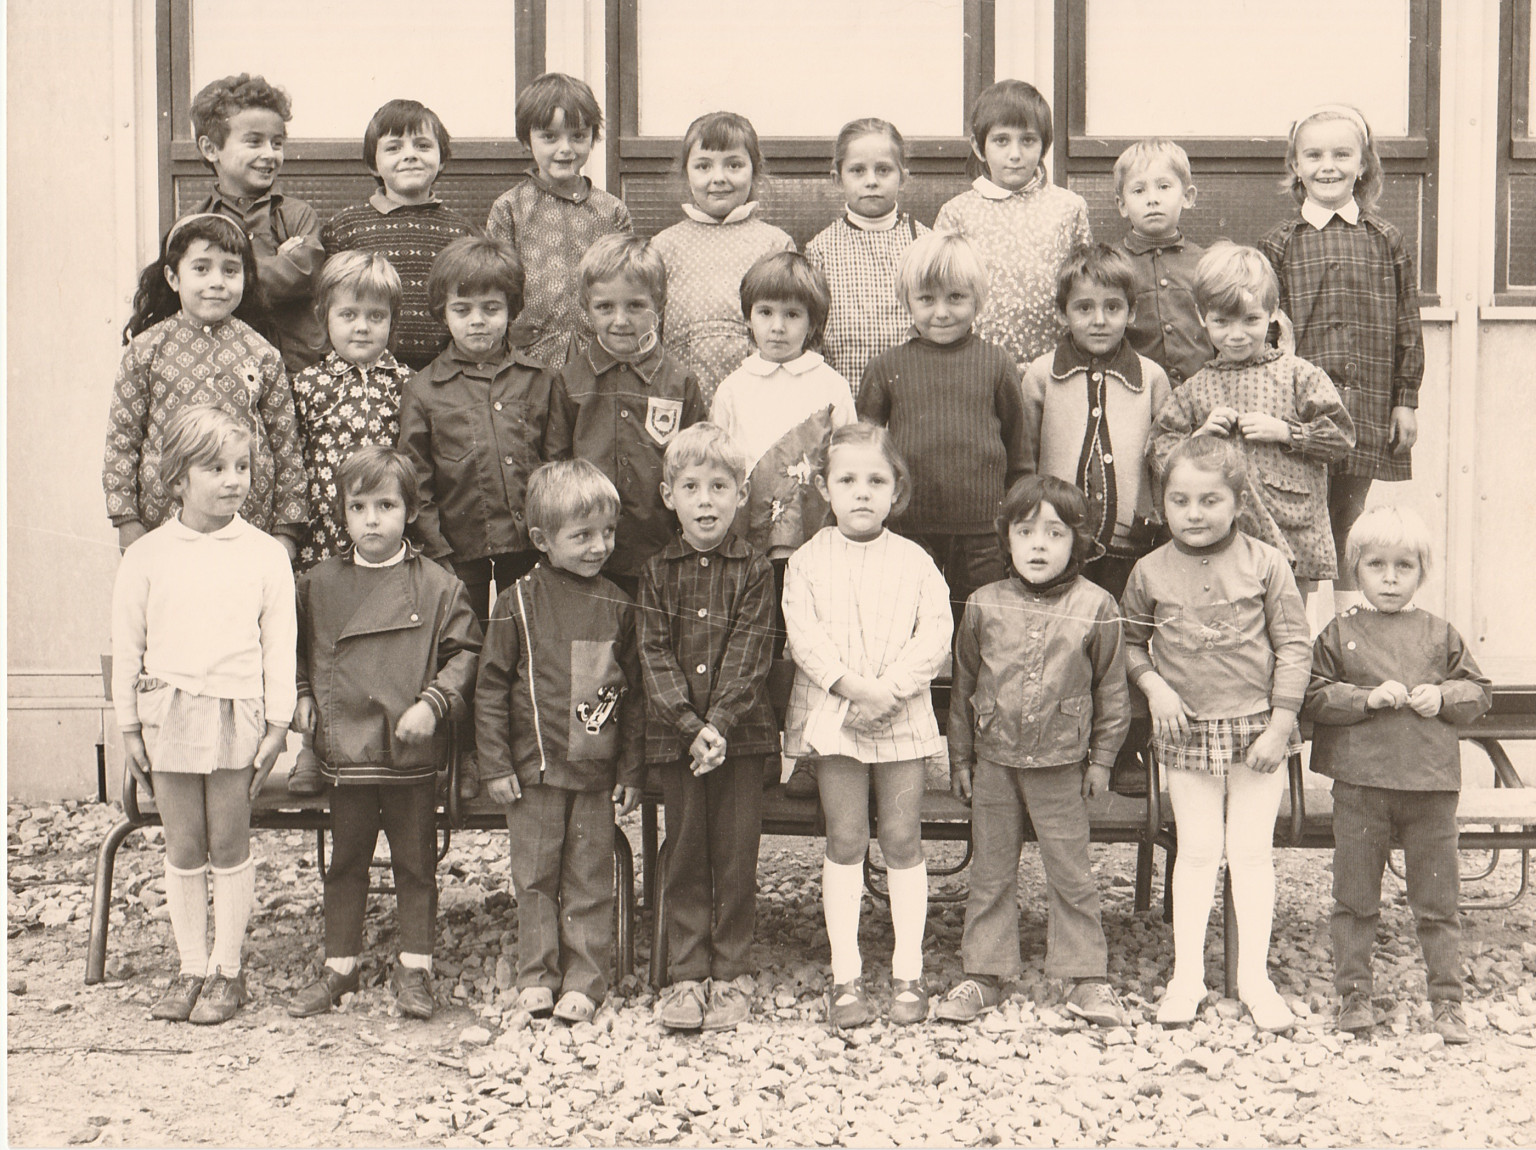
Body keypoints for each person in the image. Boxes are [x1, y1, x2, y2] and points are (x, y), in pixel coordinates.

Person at [111, 405, 296, 1025]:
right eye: (214, 467)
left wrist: (276, 724)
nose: (233, 479)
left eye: (241, 466)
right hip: (167, 713)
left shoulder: (266, 554)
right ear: (176, 480)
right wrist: (130, 725)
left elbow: (279, 645)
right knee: (184, 842)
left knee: (228, 838)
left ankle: (228, 969)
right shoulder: (148, 556)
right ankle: (191, 965)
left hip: (236, 712)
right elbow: (128, 641)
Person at [1121, 436, 1312, 1033]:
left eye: (1210, 499)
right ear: (1164, 502)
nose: (1195, 513)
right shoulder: (1148, 570)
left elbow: (1295, 646)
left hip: (1258, 726)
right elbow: (1128, 643)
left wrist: (1280, 726)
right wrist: (1154, 688)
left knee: (1251, 854)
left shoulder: (1267, 563)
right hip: (1187, 729)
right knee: (1199, 852)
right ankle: (1187, 979)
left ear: (1237, 502)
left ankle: (1254, 980)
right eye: (1181, 500)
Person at [286, 447, 481, 1020]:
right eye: (359, 506)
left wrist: (434, 703)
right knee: (345, 861)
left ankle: (415, 967)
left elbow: (465, 653)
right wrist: (300, 696)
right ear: (343, 516)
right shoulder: (317, 585)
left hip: (409, 749)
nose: (373, 519)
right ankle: (339, 967)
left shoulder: (438, 585)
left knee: (415, 863)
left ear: (410, 511)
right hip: (346, 753)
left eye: (387, 505)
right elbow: (293, 652)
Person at [938, 476, 1130, 1027]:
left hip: (1063, 767)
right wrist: (960, 759)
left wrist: (1102, 761)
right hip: (995, 763)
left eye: (1055, 532)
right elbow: (964, 687)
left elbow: (1111, 692)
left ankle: (1087, 978)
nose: (1039, 545)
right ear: (1008, 539)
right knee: (991, 871)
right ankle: (983, 974)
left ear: (1079, 543)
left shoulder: (1097, 605)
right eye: (1026, 532)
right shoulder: (982, 604)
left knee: (1071, 871)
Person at [783, 422, 952, 1029]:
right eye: (847, 479)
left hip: (899, 710)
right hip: (838, 714)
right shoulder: (807, 561)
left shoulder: (914, 561)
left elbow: (935, 634)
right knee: (847, 836)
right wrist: (854, 689)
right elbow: (805, 637)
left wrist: (889, 691)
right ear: (825, 488)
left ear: (895, 489)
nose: (862, 492)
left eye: (876, 480)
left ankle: (908, 971)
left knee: (903, 837)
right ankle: (846, 975)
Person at [1302, 506, 1491, 1045]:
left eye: (1403, 566)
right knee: (1355, 896)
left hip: (1430, 788)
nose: (1389, 578)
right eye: (1376, 565)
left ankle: (1448, 1000)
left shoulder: (1440, 633)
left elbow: (1479, 691)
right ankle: (1353, 995)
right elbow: (1312, 694)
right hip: (1361, 787)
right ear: (1354, 570)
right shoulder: (1339, 633)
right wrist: (1365, 698)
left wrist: (1445, 694)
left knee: (1437, 900)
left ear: (1421, 573)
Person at [474, 460, 645, 1024]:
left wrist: (631, 771)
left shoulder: (620, 604)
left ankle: (586, 978)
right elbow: (491, 688)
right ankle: (537, 975)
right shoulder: (516, 603)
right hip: (533, 774)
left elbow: (635, 696)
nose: (599, 547)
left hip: (595, 774)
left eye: (608, 533)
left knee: (590, 876)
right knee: (536, 876)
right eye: (582, 536)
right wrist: (496, 763)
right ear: (542, 540)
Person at [638, 425, 777, 1032]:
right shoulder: (656, 572)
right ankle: (687, 973)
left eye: (719, 486)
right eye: (691, 486)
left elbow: (751, 655)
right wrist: (690, 726)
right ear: (669, 495)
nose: (705, 500)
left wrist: (717, 725)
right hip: (678, 743)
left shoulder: (754, 570)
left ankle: (732, 970)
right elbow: (653, 654)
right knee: (685, 849)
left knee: (735, 855)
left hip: (739, 742)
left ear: (740, 495)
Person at [1260, 105, 1424, 614]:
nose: (1327, 165)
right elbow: (1267, 336)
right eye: (1313, 155)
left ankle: (1352, 635)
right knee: (1305, 525)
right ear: (1296, 165)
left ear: (1363, 164)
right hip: (1302, 417)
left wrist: (1405, 401)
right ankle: (1302, 646)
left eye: (1341, 154)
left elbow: (1406, 326)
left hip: (1366, 409)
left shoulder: (1385, 239)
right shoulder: (1280, 245)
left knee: (1349, 520)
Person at [1149, 243, 1355, 590]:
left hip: (1291, 530)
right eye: (1221, 322)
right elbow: (1158, 450)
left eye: (1251, 319)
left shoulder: (1299, 376)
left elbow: (1342, 439)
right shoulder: (1194, 390)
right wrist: (1197, 438)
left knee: (1288, 630)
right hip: (1222, 538)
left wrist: (1287, 433)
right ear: (1202, 316)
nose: (1237, 334)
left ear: (1272, 311)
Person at [104, 213, 308, 559]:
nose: (217, 282)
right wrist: (127, 519)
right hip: (164, 525)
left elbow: (286, 446)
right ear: (172, 277)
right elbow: (122, 440)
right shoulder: (146, 350)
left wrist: (285, 532)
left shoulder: (262, 354)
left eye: (230, 270)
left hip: (248, 525)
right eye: (201, 268)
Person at [857, 231, 1032, 629]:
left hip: (984, 537)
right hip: (908, 531)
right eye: (926, 299)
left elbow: (1019, 455)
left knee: (982, 631)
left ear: (977, 300)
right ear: (907, 302)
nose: (941, 312)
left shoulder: (996, 363)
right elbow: (864, 451)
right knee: (913, 628)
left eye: (955, 297)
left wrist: (1013, 523)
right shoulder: (885, 367)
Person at [398, 236, 551, 624]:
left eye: (491, 308)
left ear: (512, 309)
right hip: (459, 553)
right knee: (466, 640)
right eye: (462, 309)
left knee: (527, 635)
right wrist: (438, 553)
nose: (478, 320)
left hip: (533, 547)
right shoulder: (423, 390)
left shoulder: (540, 381)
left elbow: (556, 465)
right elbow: (418, 484)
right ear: (442, 313)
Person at [545, 234, 707, 593]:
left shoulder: (679, 383)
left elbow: (697, 468)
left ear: (659, 304)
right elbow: (555, 468)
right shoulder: (570, 381)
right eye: (605, 307)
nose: (620, 320)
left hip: (661, 554)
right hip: (589, 559)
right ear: (586, 307)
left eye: (635, 306)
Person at [711, 251, 856, 641]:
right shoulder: (733, 388)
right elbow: (715, 464)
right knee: (757, 630)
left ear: (812, 324)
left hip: (814, 536)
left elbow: (849, 458)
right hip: (746, 538)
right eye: (765, 312)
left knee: (808, 630)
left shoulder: (830, 385)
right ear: (747, 317)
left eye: (792, 315)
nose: (777, 327)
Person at [1020, 244, 1173, 600]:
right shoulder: (1042, 375)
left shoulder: (1151, 378)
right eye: (1084, 308)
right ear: (1062, 313)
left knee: (1118, 630)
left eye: (1113, 307)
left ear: (1131, 312)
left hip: (1129, 542)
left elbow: (1163, 462)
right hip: (1057, 540)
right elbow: (1025, 457)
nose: (1099, 320)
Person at [934, 79, 1091, 370]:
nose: (1015, 154)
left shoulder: (1069, 207)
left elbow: (1084, 287)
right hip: (978, 365)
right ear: (979, 147)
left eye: (1028, 140)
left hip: (1054, 364)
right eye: (1001, 140)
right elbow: (941, 291)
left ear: (1044, 145)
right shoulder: (957, 213)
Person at [486, 73, 633, 368]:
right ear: (527, 139)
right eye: (550, 137)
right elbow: (493, 286)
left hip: (599, 357)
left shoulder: (611, 211)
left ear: (593, 137)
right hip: (529, 359)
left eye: (578, 136)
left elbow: (628, 284)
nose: (565, 148)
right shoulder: (510, 209)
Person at [320, 99, 476, 371]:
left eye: (423, 145)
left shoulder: (462, 232)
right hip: (364, 371)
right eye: (394, 147)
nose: (410, 155)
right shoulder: (345, 227)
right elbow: (327, 303)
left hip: (443, 371)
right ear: (373, 164)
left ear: (441, 161)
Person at [650, 111, 795, 402]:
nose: (719, 178)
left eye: (734, 165)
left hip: (758, 393)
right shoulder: (664, 246)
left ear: (754, 170)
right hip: (683, 394)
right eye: (703, 166)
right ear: (686, 172)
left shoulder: (774, 244)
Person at [185, 73, 325, 372]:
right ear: (211, 149)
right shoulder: (196, 223)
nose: (270, 154)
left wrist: (226, 272)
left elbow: (301, 272)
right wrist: (276, 261)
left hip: (297, 370)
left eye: (277, 143)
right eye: (254, 142)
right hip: (223, 370)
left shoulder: (297, 215)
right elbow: (189, 290)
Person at [290, 252, 410, 572]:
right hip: (322, 536)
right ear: (323, 317)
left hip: (387, 534)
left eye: (375, 316)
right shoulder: (304, 386)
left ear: (392, 321)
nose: (362, 327)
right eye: (348, 315)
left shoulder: (408, 385)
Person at [805, 118, 930, 393]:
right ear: (838, 179)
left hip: (912, 391)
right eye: (858, 171)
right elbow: (811, 336)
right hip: (846, 391)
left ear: (903, 177)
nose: (871, 181)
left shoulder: (924, 243)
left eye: (883, 170)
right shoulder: (821, 249)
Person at [1113, 138, 1213, 386]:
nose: (1152, 199)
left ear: (1187, 197)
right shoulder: (1111, 265)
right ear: (1122, 205)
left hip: (1201, 392)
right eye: (1139, 190)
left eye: (1164, 186)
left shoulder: (1206, 263)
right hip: (1135, 394)